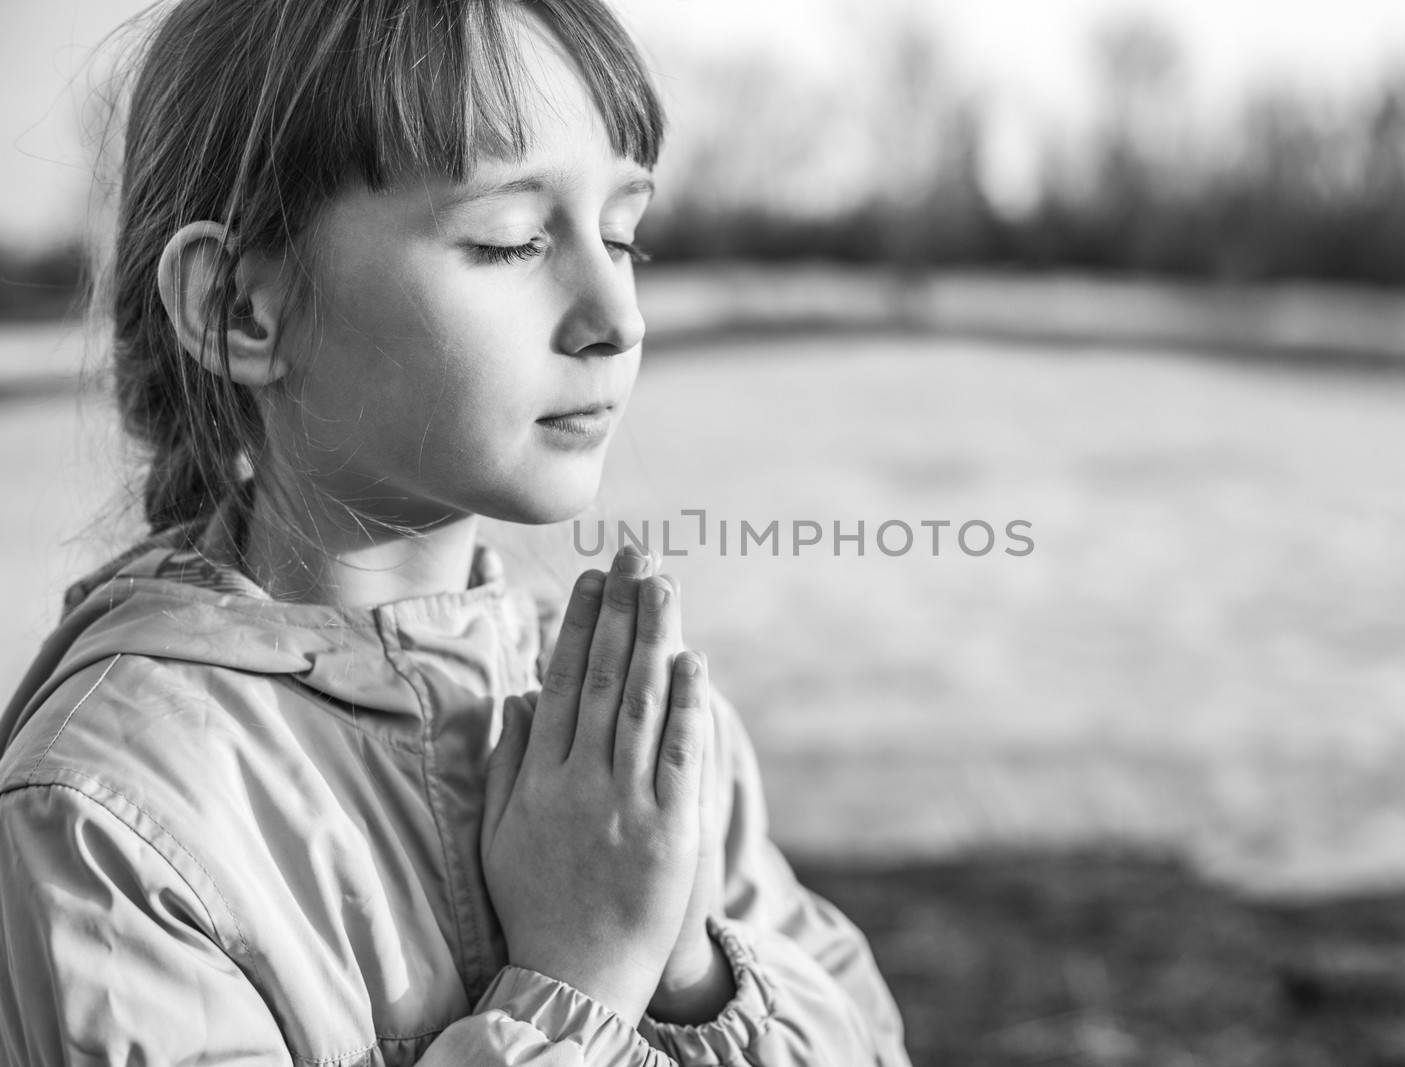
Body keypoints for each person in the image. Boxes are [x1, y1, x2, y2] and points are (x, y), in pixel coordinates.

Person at [0, 0, 912, 1063]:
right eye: (512, 241)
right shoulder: (111, 821)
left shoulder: (627, 734)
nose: (616, 315)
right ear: (243, 311)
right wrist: (575, 981)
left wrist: (689, 973)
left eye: (623, 234)